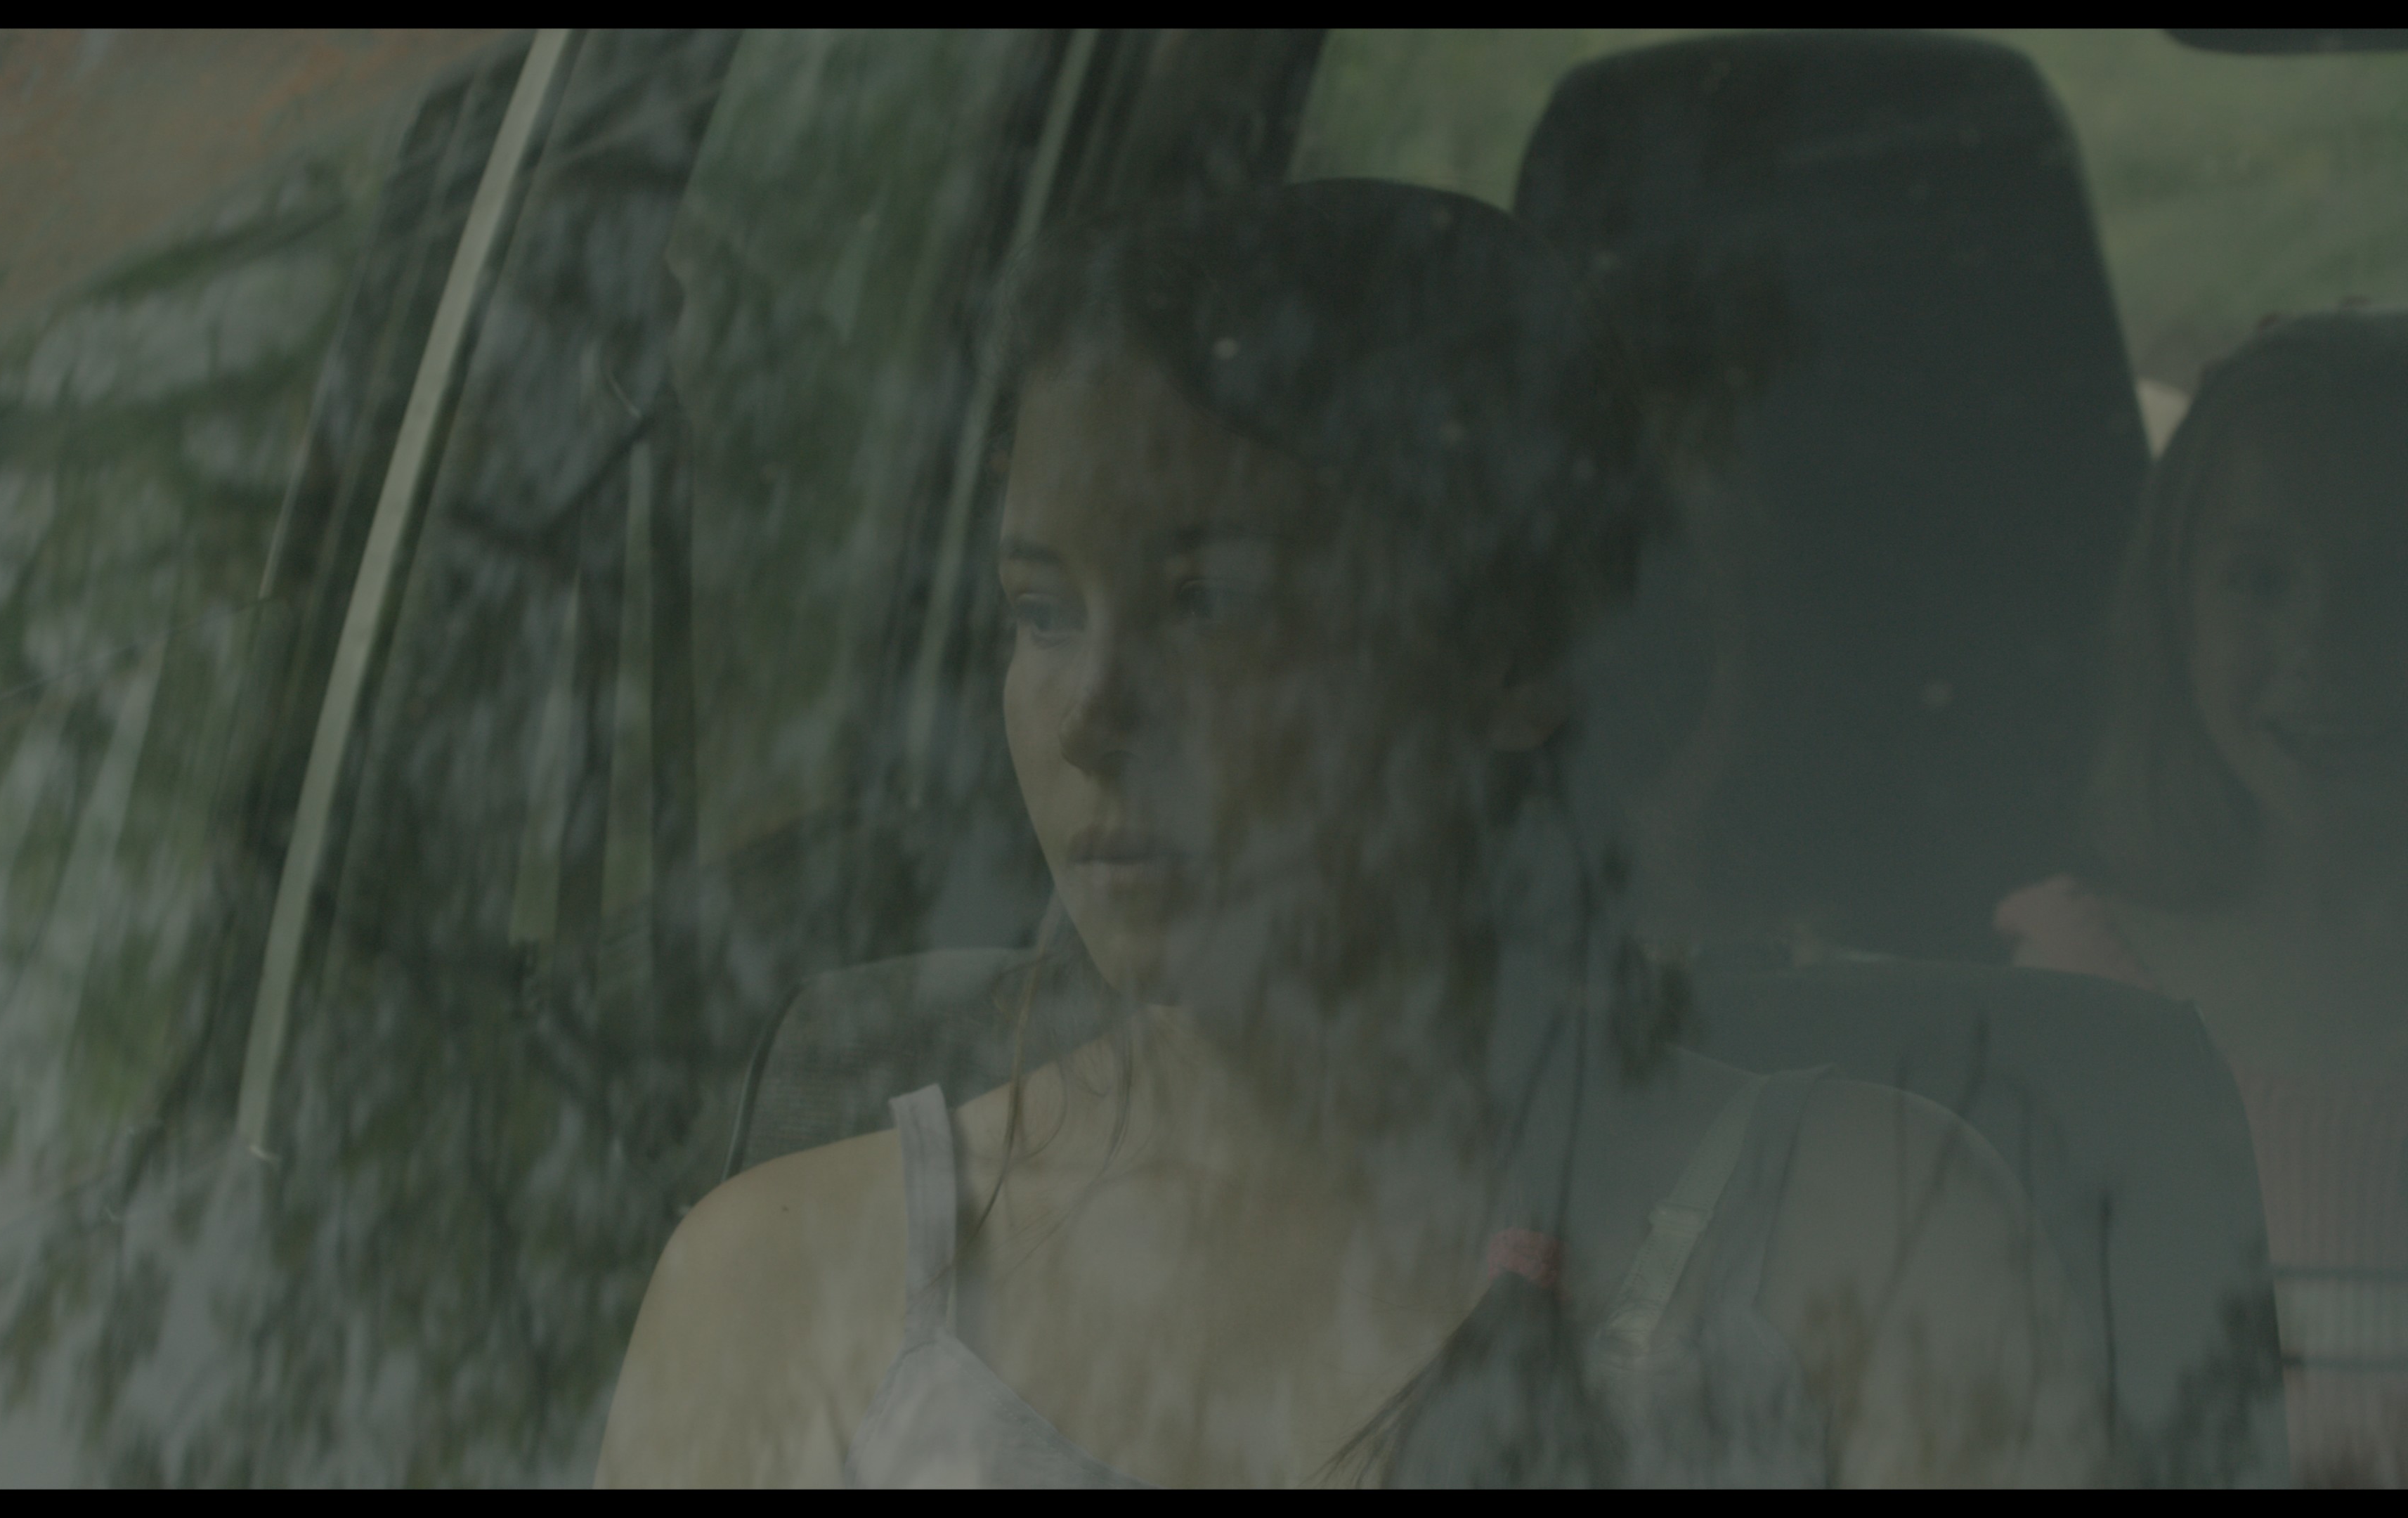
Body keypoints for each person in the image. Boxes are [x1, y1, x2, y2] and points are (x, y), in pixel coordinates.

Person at [603, 181, 2104, 1488]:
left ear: (1511, 654)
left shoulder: (1880, 1245)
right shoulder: (788, 1289)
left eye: (1208, 601)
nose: (1090, 714)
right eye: (1043, 611)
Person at [1998, 310, 2408, 1487]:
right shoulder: (2072, 996)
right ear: (2176, 613)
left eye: (2393, 572)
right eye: (2262, 579)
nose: (2325, 641)